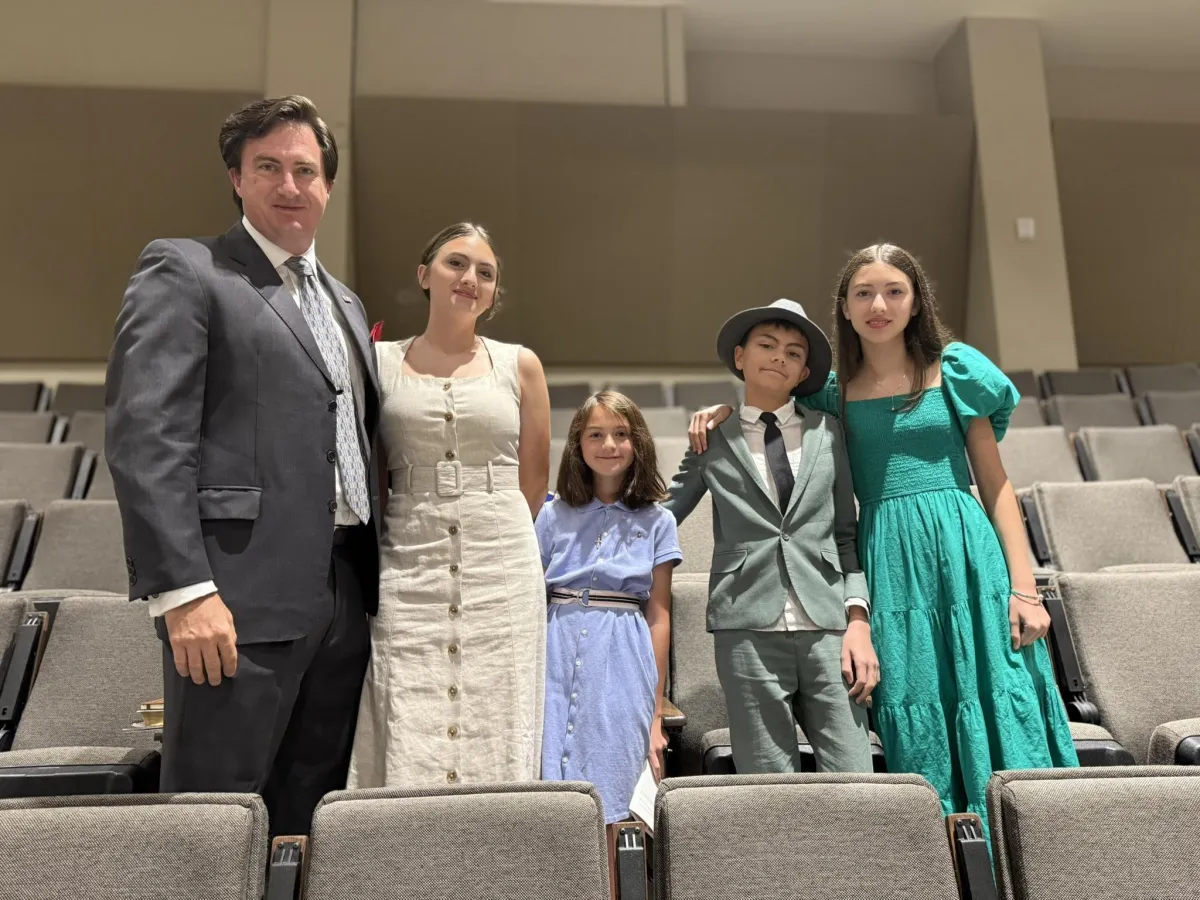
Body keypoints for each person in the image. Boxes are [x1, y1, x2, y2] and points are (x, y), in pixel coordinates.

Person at [689, 246, 1078, 826]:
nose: (879, 305)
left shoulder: (955, 370)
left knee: (1001, 693)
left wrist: (1024, 589)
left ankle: (1032, 847)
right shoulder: (830, 392)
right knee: (913, 703)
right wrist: (720, 412)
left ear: (915, 301)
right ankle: (939, 854)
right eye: (864, 293)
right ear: (844, 308)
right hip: (887, 559)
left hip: (966, 553)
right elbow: (767, 403)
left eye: (894, 291)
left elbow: (996, 485)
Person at [106, 96, 380, 835]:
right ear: (236, 178)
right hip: (234, 600)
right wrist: (184, 591)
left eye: (305, 170)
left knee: (308, 824)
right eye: (268, 167)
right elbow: (146, 437)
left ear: (328, 185)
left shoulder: (347, 305)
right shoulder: (187, 270)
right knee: (212, 823)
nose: (290, 185)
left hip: (344, 594)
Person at [348, 223, 551, 788]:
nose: (470, 279)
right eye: (456, 263)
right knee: (406, 700)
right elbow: (372, 473)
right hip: (409, 561)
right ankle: (405, 842)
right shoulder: (379, 361)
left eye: (485, 272)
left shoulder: (521, 365)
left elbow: (534, 482)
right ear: (424, 275)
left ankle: (498, 841)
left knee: (498, 710)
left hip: (500, 566)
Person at [665, 299, 879, 775]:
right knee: (767, 782)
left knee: (856, 777)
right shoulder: (711, 437)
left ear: (804, 373)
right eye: (767, 345)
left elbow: (846, 535)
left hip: (827, 626)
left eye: (794, 352)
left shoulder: (829, 432)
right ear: (740, 357)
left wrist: (858, 621)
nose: (780, 356)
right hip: (746, 627)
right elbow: (663, 515)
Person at [536, 391, 679, 838]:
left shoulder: (658, 521)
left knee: (615, 784)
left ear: (638, 443)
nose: (609, 445)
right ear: (577, 443)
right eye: (595, 434)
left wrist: (655, 714)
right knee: (548, 784)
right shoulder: (551, 515)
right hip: (555, 651)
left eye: (621, 434)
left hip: (622, 656)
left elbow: (659, 616)